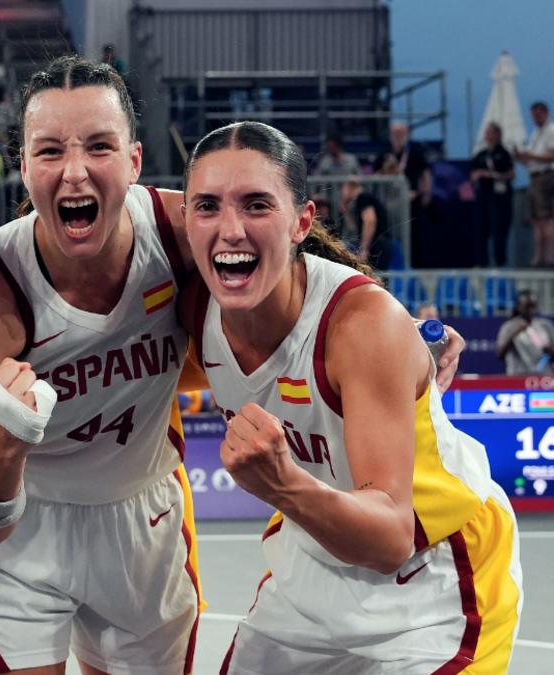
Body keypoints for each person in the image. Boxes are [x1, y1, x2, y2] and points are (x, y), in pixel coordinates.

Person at [178, 121, 521, 675]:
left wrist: (284, 482)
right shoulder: (192, 312)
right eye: (207, 206)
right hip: (313, 562)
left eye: (258, 205)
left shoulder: (362, 327)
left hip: (432, 574)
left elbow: (390, 536)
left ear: (302, 221)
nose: (231, 228)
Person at [0, 55, 207, 675]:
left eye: (99, 147)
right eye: (51, 151)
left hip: (144, 513)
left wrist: (386, 323)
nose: (75, 172)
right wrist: (10, 445)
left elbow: (289, 274)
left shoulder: (181, 231)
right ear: (24, 168)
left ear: (135, 161)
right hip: (20, 529)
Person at [470, 122, 516, 267]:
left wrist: (492, 175)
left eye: (490, 132)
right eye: (486, 132)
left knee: (499, 228)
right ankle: (481, 261)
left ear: (497, 134)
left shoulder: (503, 152)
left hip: (499, 196)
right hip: (483, 194)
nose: (487, 135)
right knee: (480, 228)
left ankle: (500, 261)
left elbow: (511, 174)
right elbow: (473, 173)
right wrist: (477, 175)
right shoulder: (481, 154)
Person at [514, 101, 554, 267]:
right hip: (534, 176)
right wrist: (522, 158)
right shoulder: (535, 133)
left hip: (546, 176)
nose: (534, 119)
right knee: (535, 219)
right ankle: (538, 256)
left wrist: (532, 156)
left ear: (545, 113)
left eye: (537, 115)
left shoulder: (551, 131)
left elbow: (551, 155)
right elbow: (534, 158)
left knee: (546, 217)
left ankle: (550, 256)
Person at [339, 176, 392, 271]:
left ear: (350, 187)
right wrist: (346, 211)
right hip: (378, 244)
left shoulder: (363, 198)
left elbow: (370, 221)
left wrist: (364, 248)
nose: (343, 194)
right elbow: (356, 227)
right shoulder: (362, 201)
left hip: (378, 245)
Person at [496, 290, 554, 375]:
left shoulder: (546, 325)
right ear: (518, 306)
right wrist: (517, 332)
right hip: (518, 376)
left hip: (543, 376)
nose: (531, 311)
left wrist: (548, 349)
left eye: (533, 307)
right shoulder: (508, 327)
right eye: (527, 307)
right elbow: (500, 354)